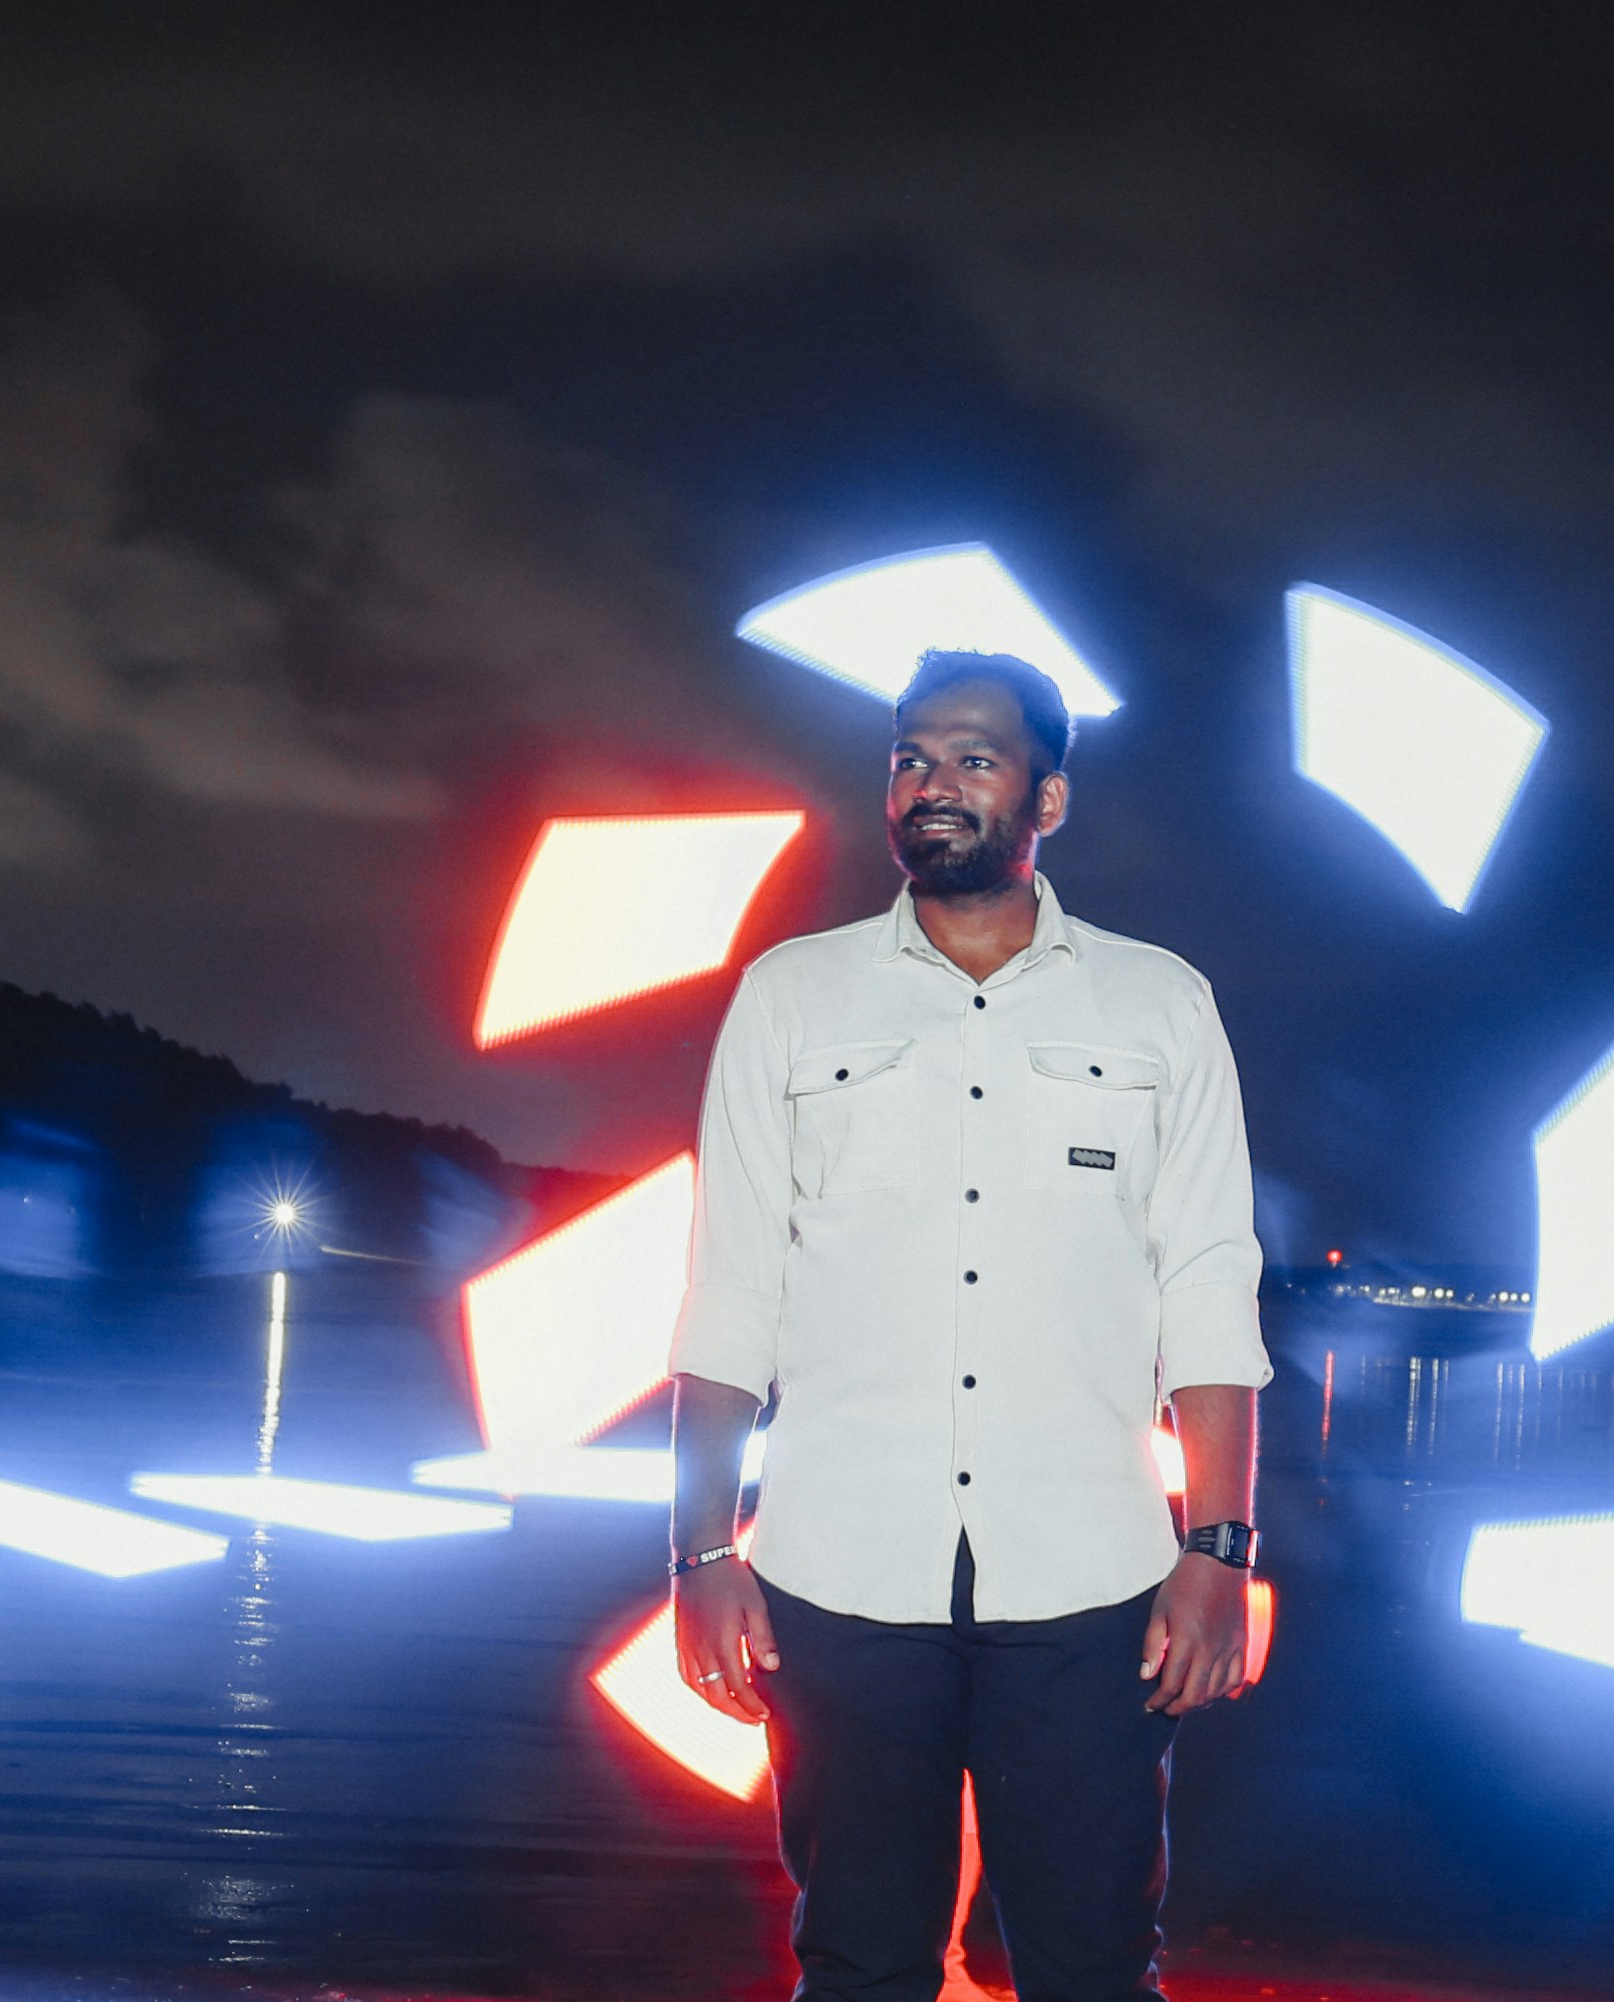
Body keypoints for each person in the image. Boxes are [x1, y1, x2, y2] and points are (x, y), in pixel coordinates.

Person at [665, 649, 1270, 2002]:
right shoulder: (791, 996)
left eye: (974, 759)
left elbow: (1208, 1291)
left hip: (1092, 1584)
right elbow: (729, 1291)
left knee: (1093, 1965)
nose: (932, 785)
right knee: (862, 1964)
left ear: (1048, 796)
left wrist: (1219, 1550)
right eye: (910, 758)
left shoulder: (1159, 1005)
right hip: (839, 1577)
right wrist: (702, 1547)